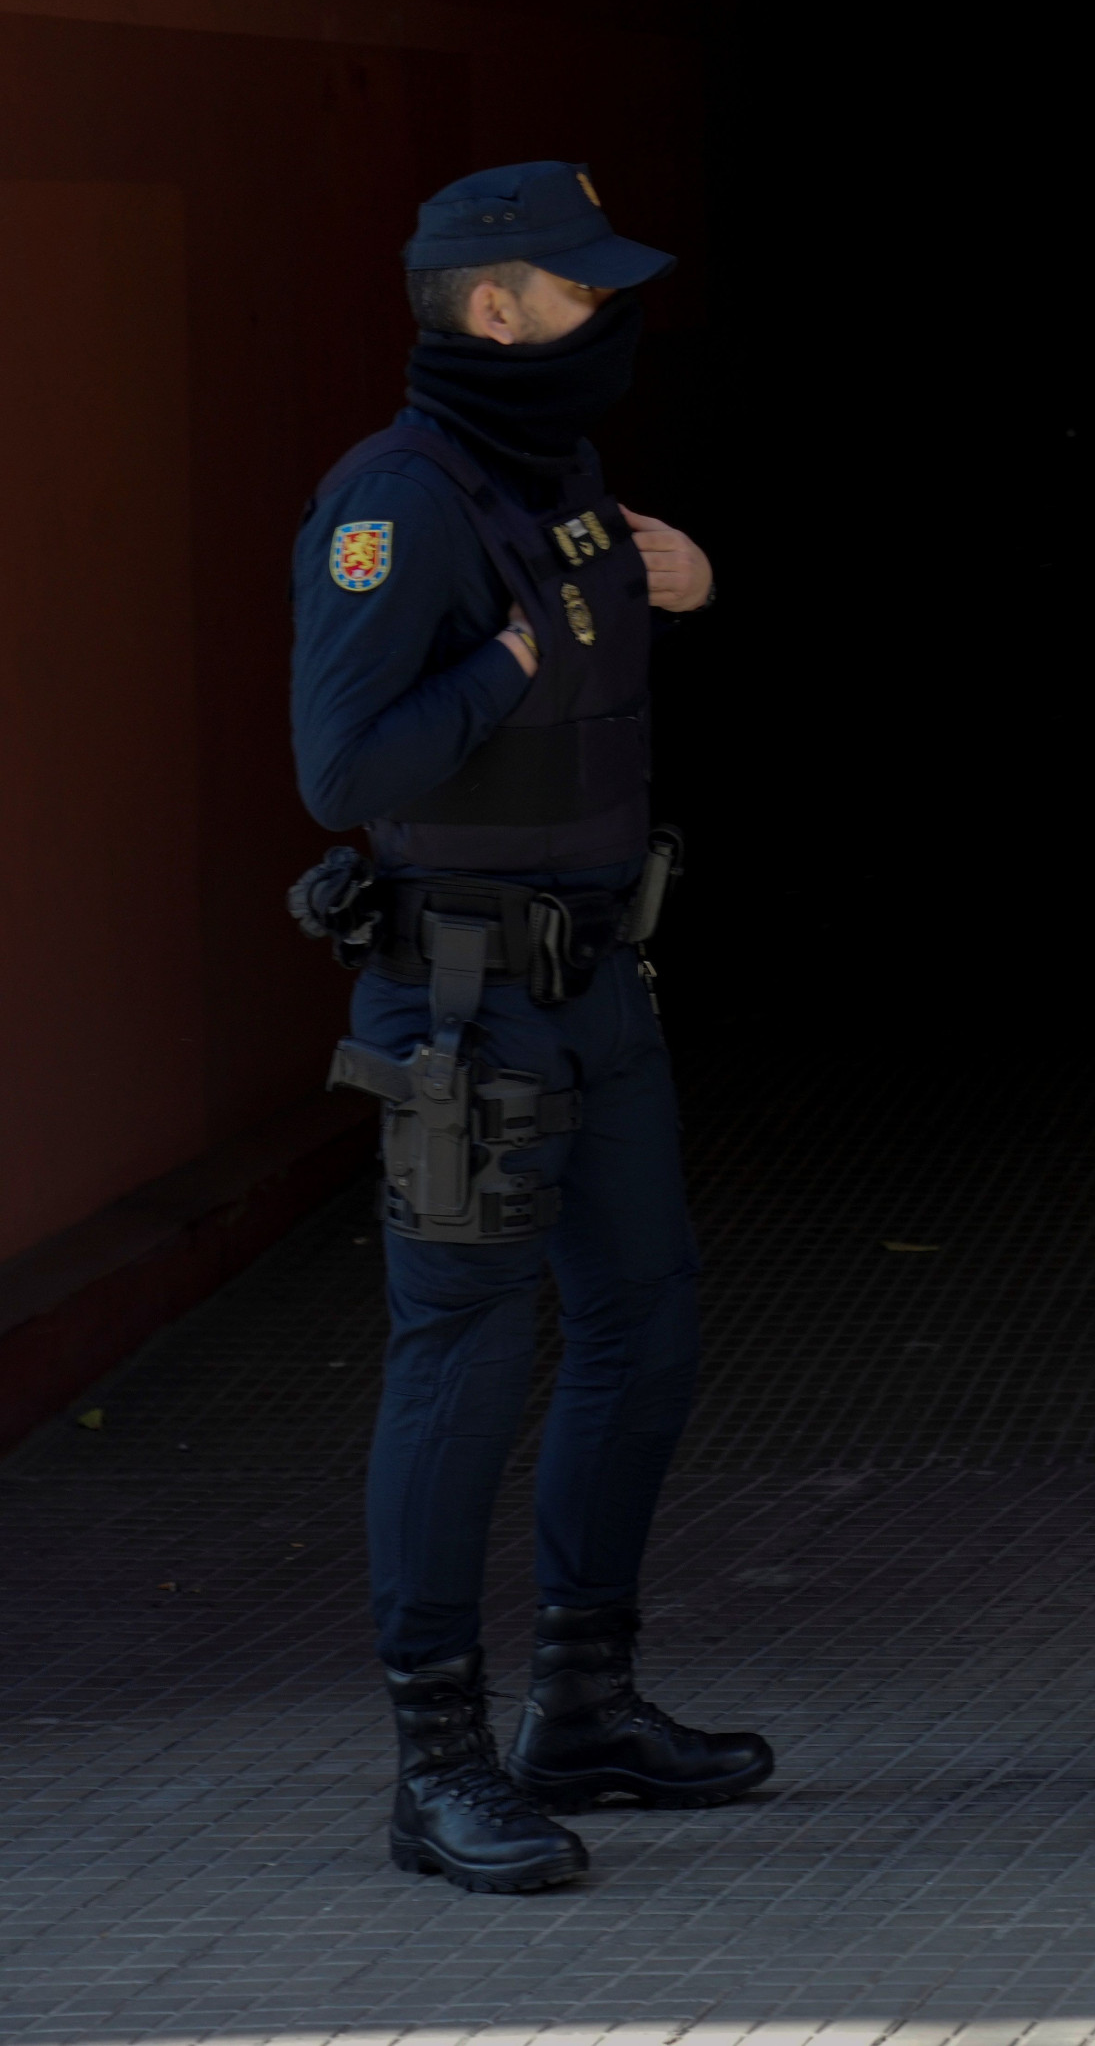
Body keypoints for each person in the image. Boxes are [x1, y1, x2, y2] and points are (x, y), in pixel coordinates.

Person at [288, 161, 770, 1895]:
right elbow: (342, 770)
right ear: (496, 310)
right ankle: (437, 1767)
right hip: (465, 1003)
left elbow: (582, 651)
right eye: (584, 292)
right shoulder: (397, 499)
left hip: (597, 982)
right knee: (465, 1361)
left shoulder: (552, 472)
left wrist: (685, 584)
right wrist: (495, 667)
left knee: (645, 1332)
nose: (612, 317)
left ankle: (586, 1707)